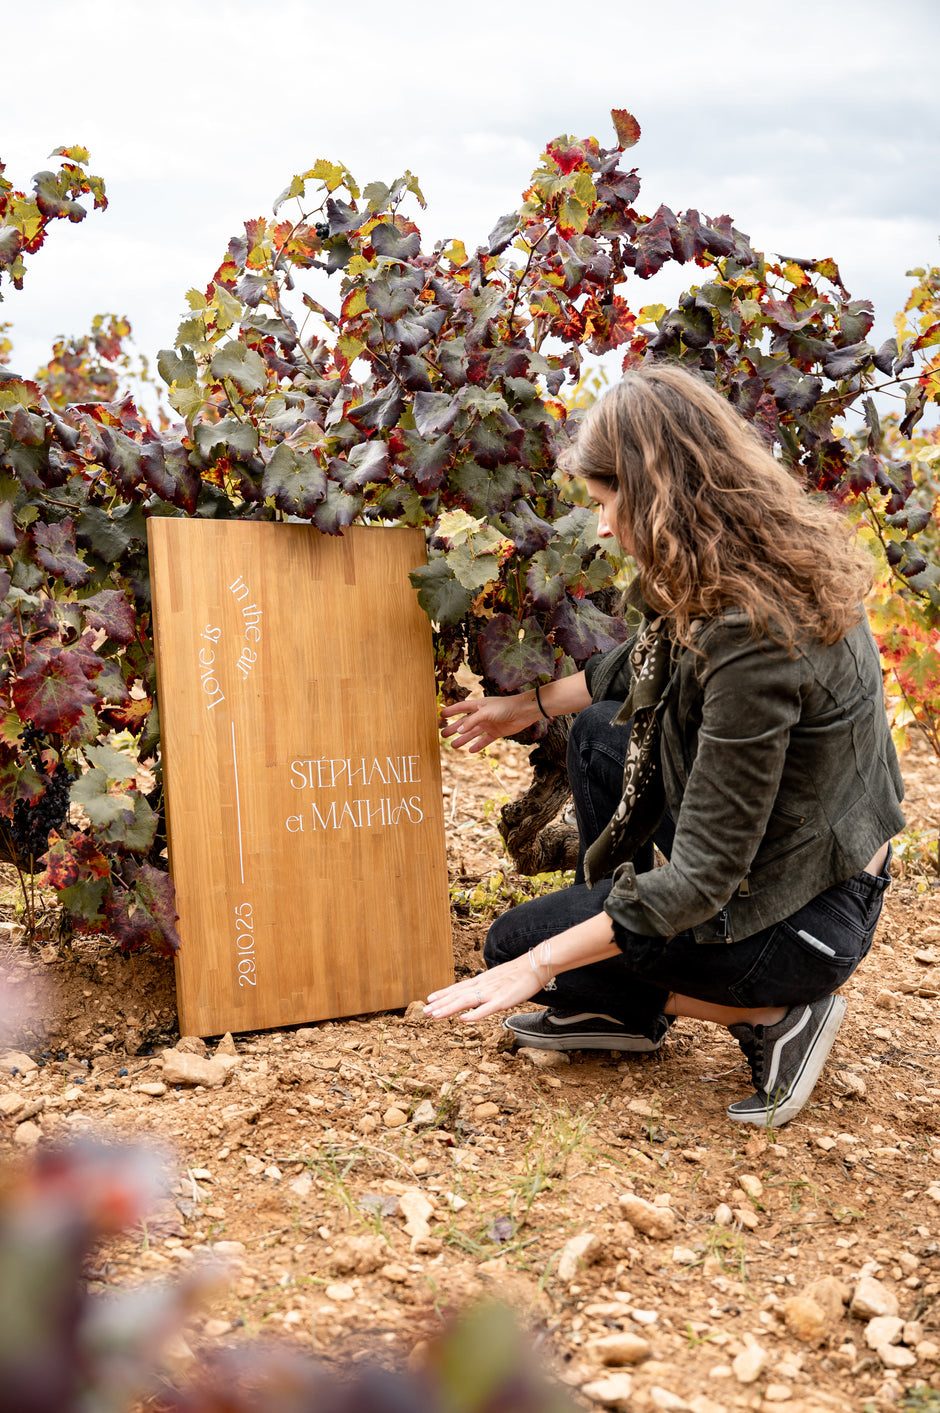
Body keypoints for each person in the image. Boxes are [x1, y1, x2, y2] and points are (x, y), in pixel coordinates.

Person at [426, 363, 905, 1127]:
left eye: (607, 502)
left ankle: (773, 1014)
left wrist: (541, 963)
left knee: (516, 943)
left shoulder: (754, 634)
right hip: (809, 853)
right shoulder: (743, 561)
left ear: (657, 493)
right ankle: (627, 1003)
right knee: (593, 734)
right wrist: (527, 704)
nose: (605, 525)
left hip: (808, 917)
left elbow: (705, 877)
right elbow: (641, 663)